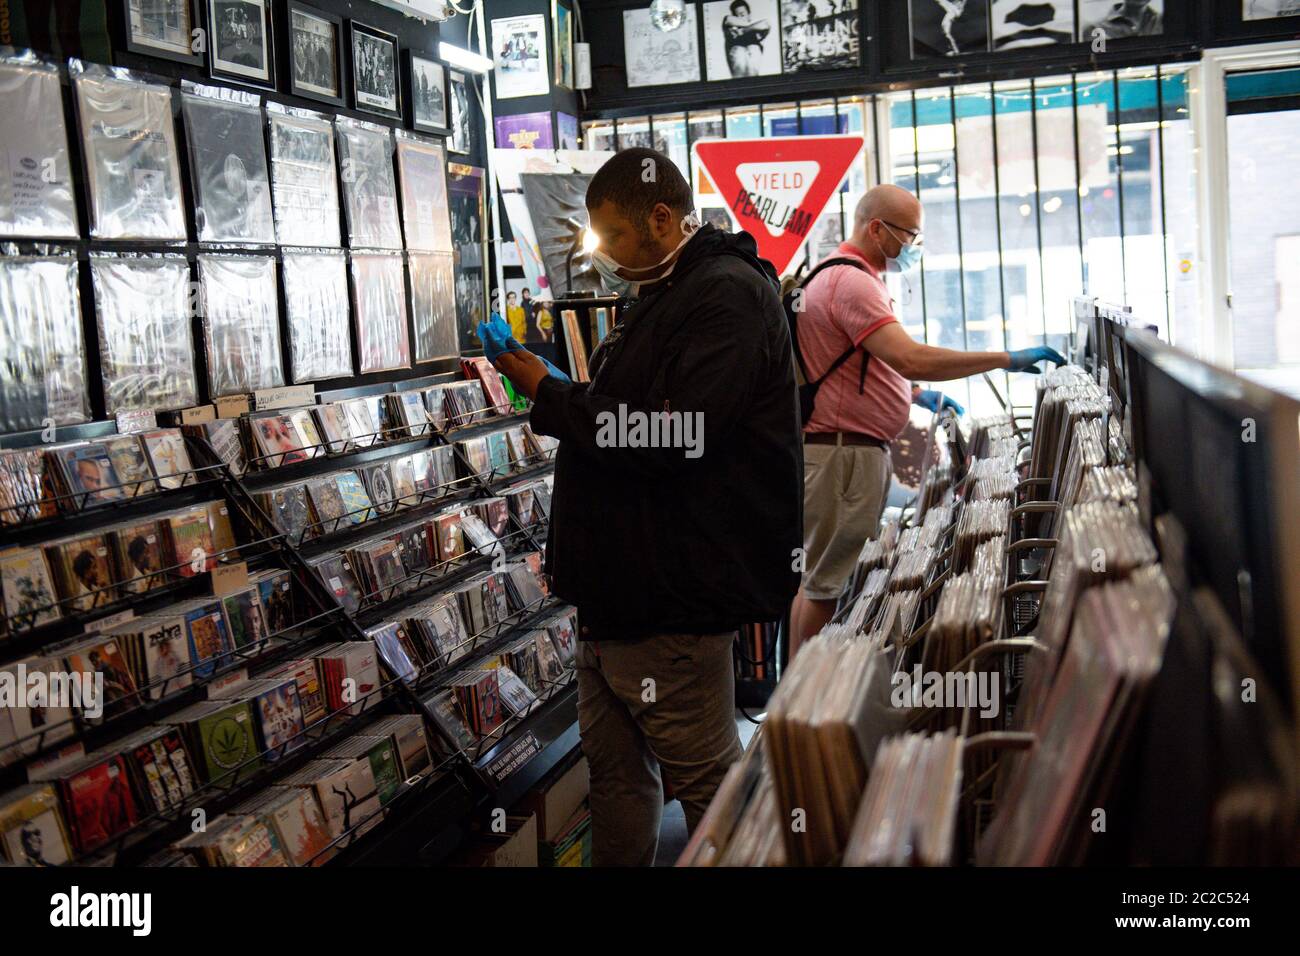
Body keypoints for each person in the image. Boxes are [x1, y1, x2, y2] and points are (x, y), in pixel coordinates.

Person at [478, 147, 802, 866]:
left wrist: (548, 391)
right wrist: (565, 388)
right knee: (618, 780)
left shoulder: (724, 295)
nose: (608, 257)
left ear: (661, 218)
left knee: (709, 781)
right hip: (618, 593)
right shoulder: (671, 290)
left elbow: (673, 435)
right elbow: (635, 411)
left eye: (614, 237)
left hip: (670, 592)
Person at [787, 184, 1065, 655]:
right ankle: (802, 710)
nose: (912, 248)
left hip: (842, 451)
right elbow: (910, 357)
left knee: (818, 581)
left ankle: (795, 701)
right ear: (876, 229)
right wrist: (1003, 359)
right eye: (908, 236)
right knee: (824, 586)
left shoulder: (842, 275)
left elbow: (861, 365)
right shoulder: (852, 281)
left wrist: (915, 397)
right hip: (844, 455)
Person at [722, 1, 772, 77]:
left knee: (753, 49)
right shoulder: (730, 27)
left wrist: (744, 30)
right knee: (739, 52)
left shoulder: (755, 32)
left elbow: (766, 24)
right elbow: (728, 19)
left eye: (742, 14)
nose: (739, 18)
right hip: (738, 61)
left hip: (753, 57)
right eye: (736, 16)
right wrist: (751, 25)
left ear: (749, 15)